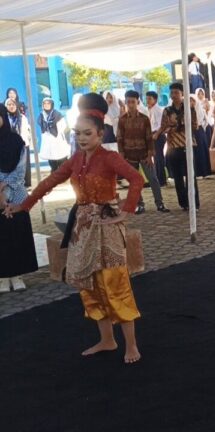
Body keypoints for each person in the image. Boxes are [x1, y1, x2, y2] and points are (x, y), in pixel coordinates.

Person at [5, 93, 144, 364]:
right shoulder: (76, 159)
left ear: (100, 134)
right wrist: (24, 205)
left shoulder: (110, 158)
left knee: (115, 283)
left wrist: (126, 212)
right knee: (88, 285)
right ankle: (107, 340)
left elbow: (136, 179)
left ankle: (131, 345)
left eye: (87, 133)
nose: (81, 138)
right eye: (78, 133)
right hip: (82, 228)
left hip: (106, 227)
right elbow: (49, 182)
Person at [0, 104, 38, 292]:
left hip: (16, 194)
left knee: (17, 235)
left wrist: (4, 186)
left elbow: (21, 168)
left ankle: (17, 275)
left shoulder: (16, 140)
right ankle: (2, 278)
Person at [117, 90, 169, 214]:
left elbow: (149, 138)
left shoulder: (144, 119)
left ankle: (160, 203)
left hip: (144, 154)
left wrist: (150, 155)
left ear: (138, 102)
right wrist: (121, 155)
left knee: (153, 179)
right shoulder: (122, 120)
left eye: (133, 102)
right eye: (128, 102)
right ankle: (139, 204)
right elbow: (119, 138)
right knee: (134, 181)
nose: (130, 104)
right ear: (125, 102)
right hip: (129, 155)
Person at [161, 82, 199, 210]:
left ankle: (194, 203)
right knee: (177, 177)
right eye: (172, 92)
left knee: (191, 176)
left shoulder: (189, 108)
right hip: (173, 146)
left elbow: (195, 126)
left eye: (176, 92)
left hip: (188, 145)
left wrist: (176, 125)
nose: (174, 95)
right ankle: (183, 204)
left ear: (182, 93)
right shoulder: (167, 110)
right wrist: (177, 126)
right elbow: (164, 128)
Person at [4, 98, 32, 187]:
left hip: (22, 144)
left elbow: (27, 131)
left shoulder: (22, 117)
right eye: (9, 105)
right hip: (9, 146)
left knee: (24, 165)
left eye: (13, 104)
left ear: (16, 106)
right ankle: (13, 184)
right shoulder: (4, 118)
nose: (11, 106)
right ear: (6, 106)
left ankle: (26, 184)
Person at [38, 97, 70, 173]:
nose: (46, 105)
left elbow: (63, 126)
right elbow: (41, 126)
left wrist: (57, 131)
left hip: (57, 139)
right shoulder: (42, 115)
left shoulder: (57, 114)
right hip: (48, 140)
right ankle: (54, 172)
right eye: (45, 103)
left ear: (51, 104)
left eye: (48, 103)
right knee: (51, 159)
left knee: (61, 158)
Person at [146, 91, 168, 186]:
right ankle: (158, 179)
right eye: (147, 98)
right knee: (156, 158)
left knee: (159, 158)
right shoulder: (150, 109)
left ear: (155, 99)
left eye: (150, 99)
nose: (147, 100)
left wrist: (156, 134)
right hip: (152, 135)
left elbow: (162, 125)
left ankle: (161, 180)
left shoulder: (158, 110)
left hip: (158, 135)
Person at [190, 92, 211, 179]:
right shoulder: (187, 111)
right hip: (192, 132)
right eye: (189, 101)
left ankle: (203, 172)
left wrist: (201, 127)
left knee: (201, 151)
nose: (191, 103)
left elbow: (206, 121)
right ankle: (197, 172)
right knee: (194, 152)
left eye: (192, 101)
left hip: (199, 132)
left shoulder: (200, 110)